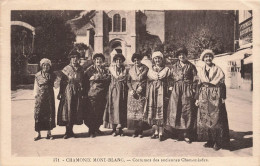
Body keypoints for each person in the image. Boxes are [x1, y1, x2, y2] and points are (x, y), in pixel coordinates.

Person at [195, 49, 230, 151]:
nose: (208, 58)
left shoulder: (218, 70)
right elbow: (198, 85)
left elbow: (222, 84)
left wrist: (223, 97)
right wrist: (197, 98)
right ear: (203, 59)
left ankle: (218, 142)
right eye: (206, 57)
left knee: (217, 119)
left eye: (210, 56)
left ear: (212, 58)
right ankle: (210, 140)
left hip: (216, 96)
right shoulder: (201, 71)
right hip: (204, 96)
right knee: (206, 118)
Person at [166, 47, 197, 143]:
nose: (181, 56)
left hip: (187, 90)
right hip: (176, 90)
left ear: (186, 55)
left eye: (183, 54)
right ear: (178, 56)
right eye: (179, 55)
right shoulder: (174, 66)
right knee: (176, 110)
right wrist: (171, 86)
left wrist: (193, 89)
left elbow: (195, 79)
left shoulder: (191, 66)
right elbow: (170, 78)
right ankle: (178, 133)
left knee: (186, 111)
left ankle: (186, 134)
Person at [57, 49, 85, 139]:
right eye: (73, 58)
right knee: (67, 110)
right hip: (68, 90)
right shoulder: (66, 68)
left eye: (76, 58)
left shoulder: (81, 69)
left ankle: (71, 131)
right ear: (70, 59)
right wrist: (60, 92)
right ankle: (67, 131)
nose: (75, 59)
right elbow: (62, 82)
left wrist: (83, 91)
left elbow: (83, 81)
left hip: (77, 91)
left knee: (74, 109)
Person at [143, 51, 171, 141]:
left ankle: (161, 132)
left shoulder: (166, 69)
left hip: (163, 92)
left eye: (159, 58)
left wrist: (169, 91)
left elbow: (170, 81)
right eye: (155, 58)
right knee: (153, 111)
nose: (157, 60)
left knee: (161, 110)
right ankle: (155, 132)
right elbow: (148, 82)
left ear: (162, 59)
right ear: (153, 60)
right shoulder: (150, 70)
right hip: (152, 92)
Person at [84, 53, 110, 137]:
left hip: (102, 94)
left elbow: (108, 79)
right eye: (97, 60)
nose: (98, 61)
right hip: (92, 94)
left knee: (100, 111)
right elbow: (85, 81)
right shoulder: (90, 69)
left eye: (100, 60)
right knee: (92, 112)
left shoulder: (105, 70)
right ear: (94, 61)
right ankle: (91, 130)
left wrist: (97, 78)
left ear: (102, 61)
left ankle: (97, 128)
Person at [103, 53, 128, 136]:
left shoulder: (125, 69)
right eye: (117, 60)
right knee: (113, 107)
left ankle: (120, 129)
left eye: (120, 60)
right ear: (115, 61)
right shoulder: (111, 69)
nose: (118, 62)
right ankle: (113, 129)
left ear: (122, 61)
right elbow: (108, 79)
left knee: (121, 108)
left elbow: (126, 79)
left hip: (122, 90)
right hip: (113, 90)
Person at [127, 53, 149, 138]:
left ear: (140, 60)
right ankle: (135, 130)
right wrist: (131, 89)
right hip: (133, 92)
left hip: (142, 91)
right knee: (133, 112)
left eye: (138, 60)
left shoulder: (145, 68)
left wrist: (142, 87)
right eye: (135, 60)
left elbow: (147, 80)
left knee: (141, 111)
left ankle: (140, 131)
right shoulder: (131, 69)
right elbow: (128, 81)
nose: (136, 62)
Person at [34, 58, 56, 141]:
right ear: (41, 66)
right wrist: (35, 95)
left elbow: (56, 86)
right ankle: (38, 133)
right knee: (38, 114)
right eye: (44, 65)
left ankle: (49, 133)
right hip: (40, 98)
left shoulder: (53, 75)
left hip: (49, 97)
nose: (45, 67)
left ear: (50, 66)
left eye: (47, 65)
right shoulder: (37, 75)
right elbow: (35, 86)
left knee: (49, 113)